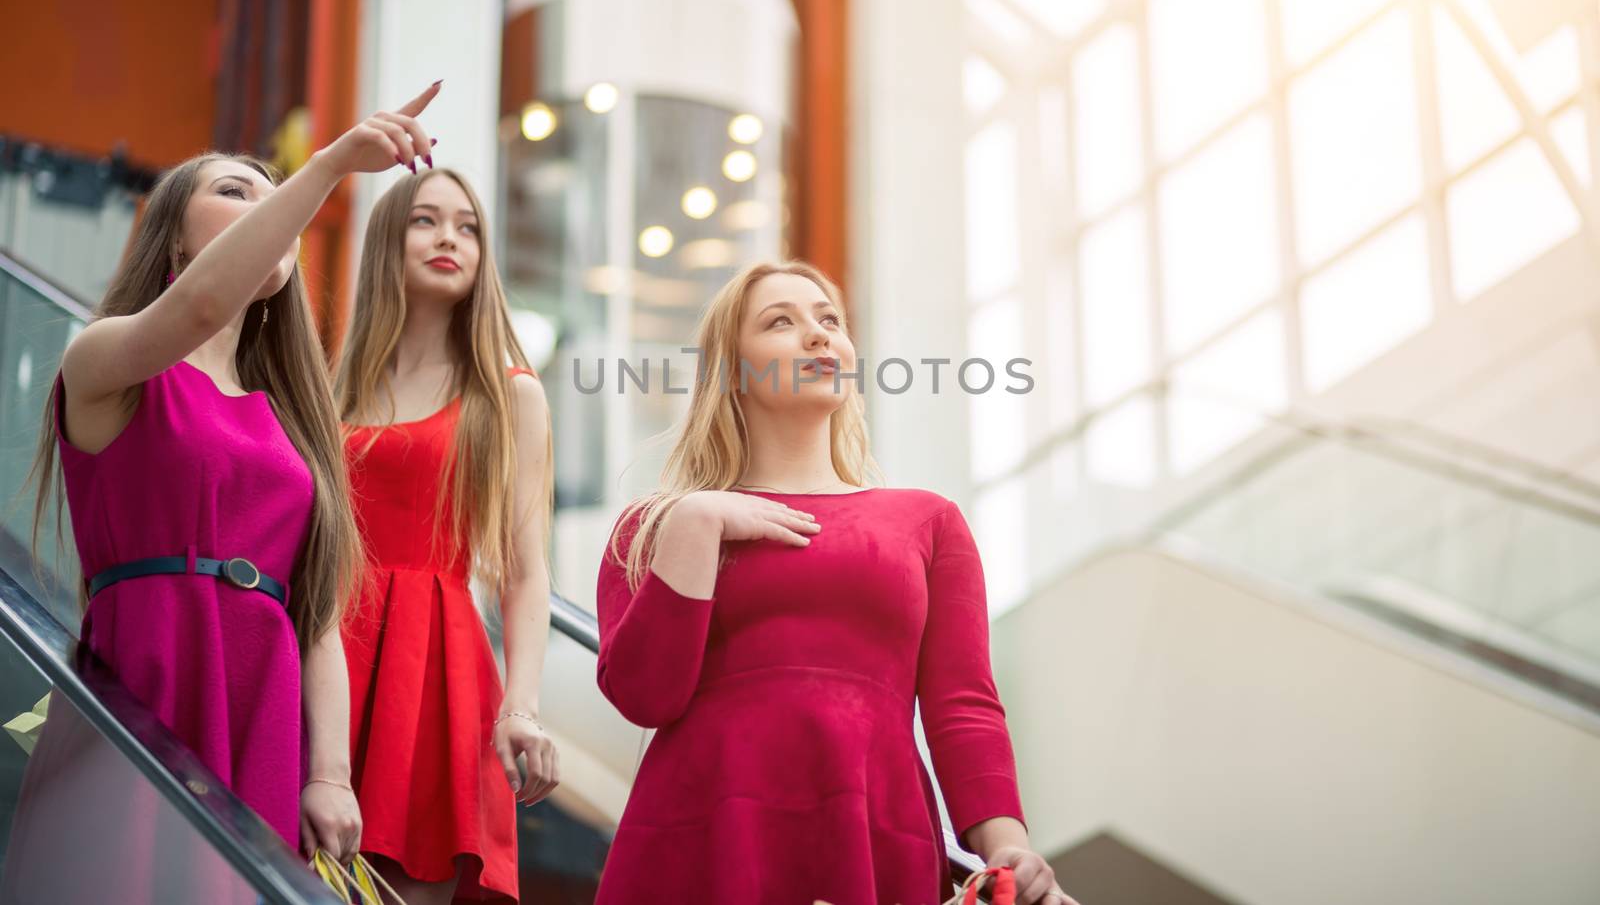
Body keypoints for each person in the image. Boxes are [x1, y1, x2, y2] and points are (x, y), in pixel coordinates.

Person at [7, 82, 443, 901]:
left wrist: (332, 774)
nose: (268, 209)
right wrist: (331, 165)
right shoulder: (109, 359)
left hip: (263, 704)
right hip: (148, 679)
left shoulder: (287, 421)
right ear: (170, 233)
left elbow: (311, 609)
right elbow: (203, 300)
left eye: (275, 199)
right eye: (235, 191)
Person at [593, 261, 1078, 905]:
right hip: (702, 833)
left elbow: (963, 705)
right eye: (780, 322)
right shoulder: (657, 526)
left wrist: (1007, 847)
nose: (819, 336)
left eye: (829, 320)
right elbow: (643, 697)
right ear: (731, 370)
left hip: (877, 829)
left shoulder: (926, 521)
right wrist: (698, 521)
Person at [334, 167, 557, 904]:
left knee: (398, 885)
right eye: (426, 221)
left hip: (428, 663)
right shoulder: (334, 389)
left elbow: (524, 570)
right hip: (321, 641)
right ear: (386, 242)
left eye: (467, 227)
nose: (449, 238)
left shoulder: (507, 391)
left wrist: (520, 706)